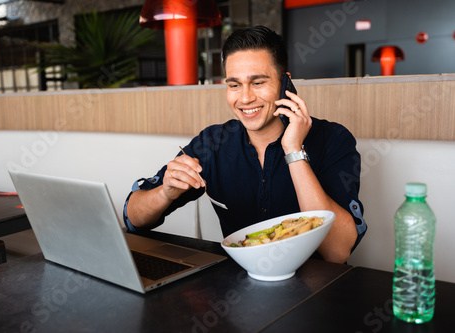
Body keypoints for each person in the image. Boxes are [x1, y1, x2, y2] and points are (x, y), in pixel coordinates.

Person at [123, 26, 366, 263]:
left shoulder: (333, 139)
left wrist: (293, 150)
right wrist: (165, 193)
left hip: (315, 291)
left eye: (258, 82)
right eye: (234, 85)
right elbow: (132, 217)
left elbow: (338, 252)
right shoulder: (212, 143)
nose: (245, 97)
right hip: (235, 289)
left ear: (285, 83)